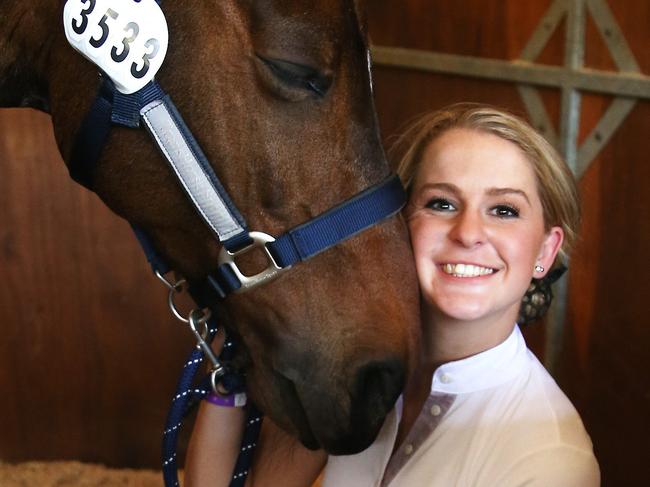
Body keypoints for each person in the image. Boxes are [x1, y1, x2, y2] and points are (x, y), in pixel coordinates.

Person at [185, 103, 600, 486]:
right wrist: (231, 370)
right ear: (398, 226)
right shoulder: (357, 367)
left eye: (504, 210)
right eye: (441, 204)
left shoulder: (551, 460)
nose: (469, 233)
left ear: (545, 250)